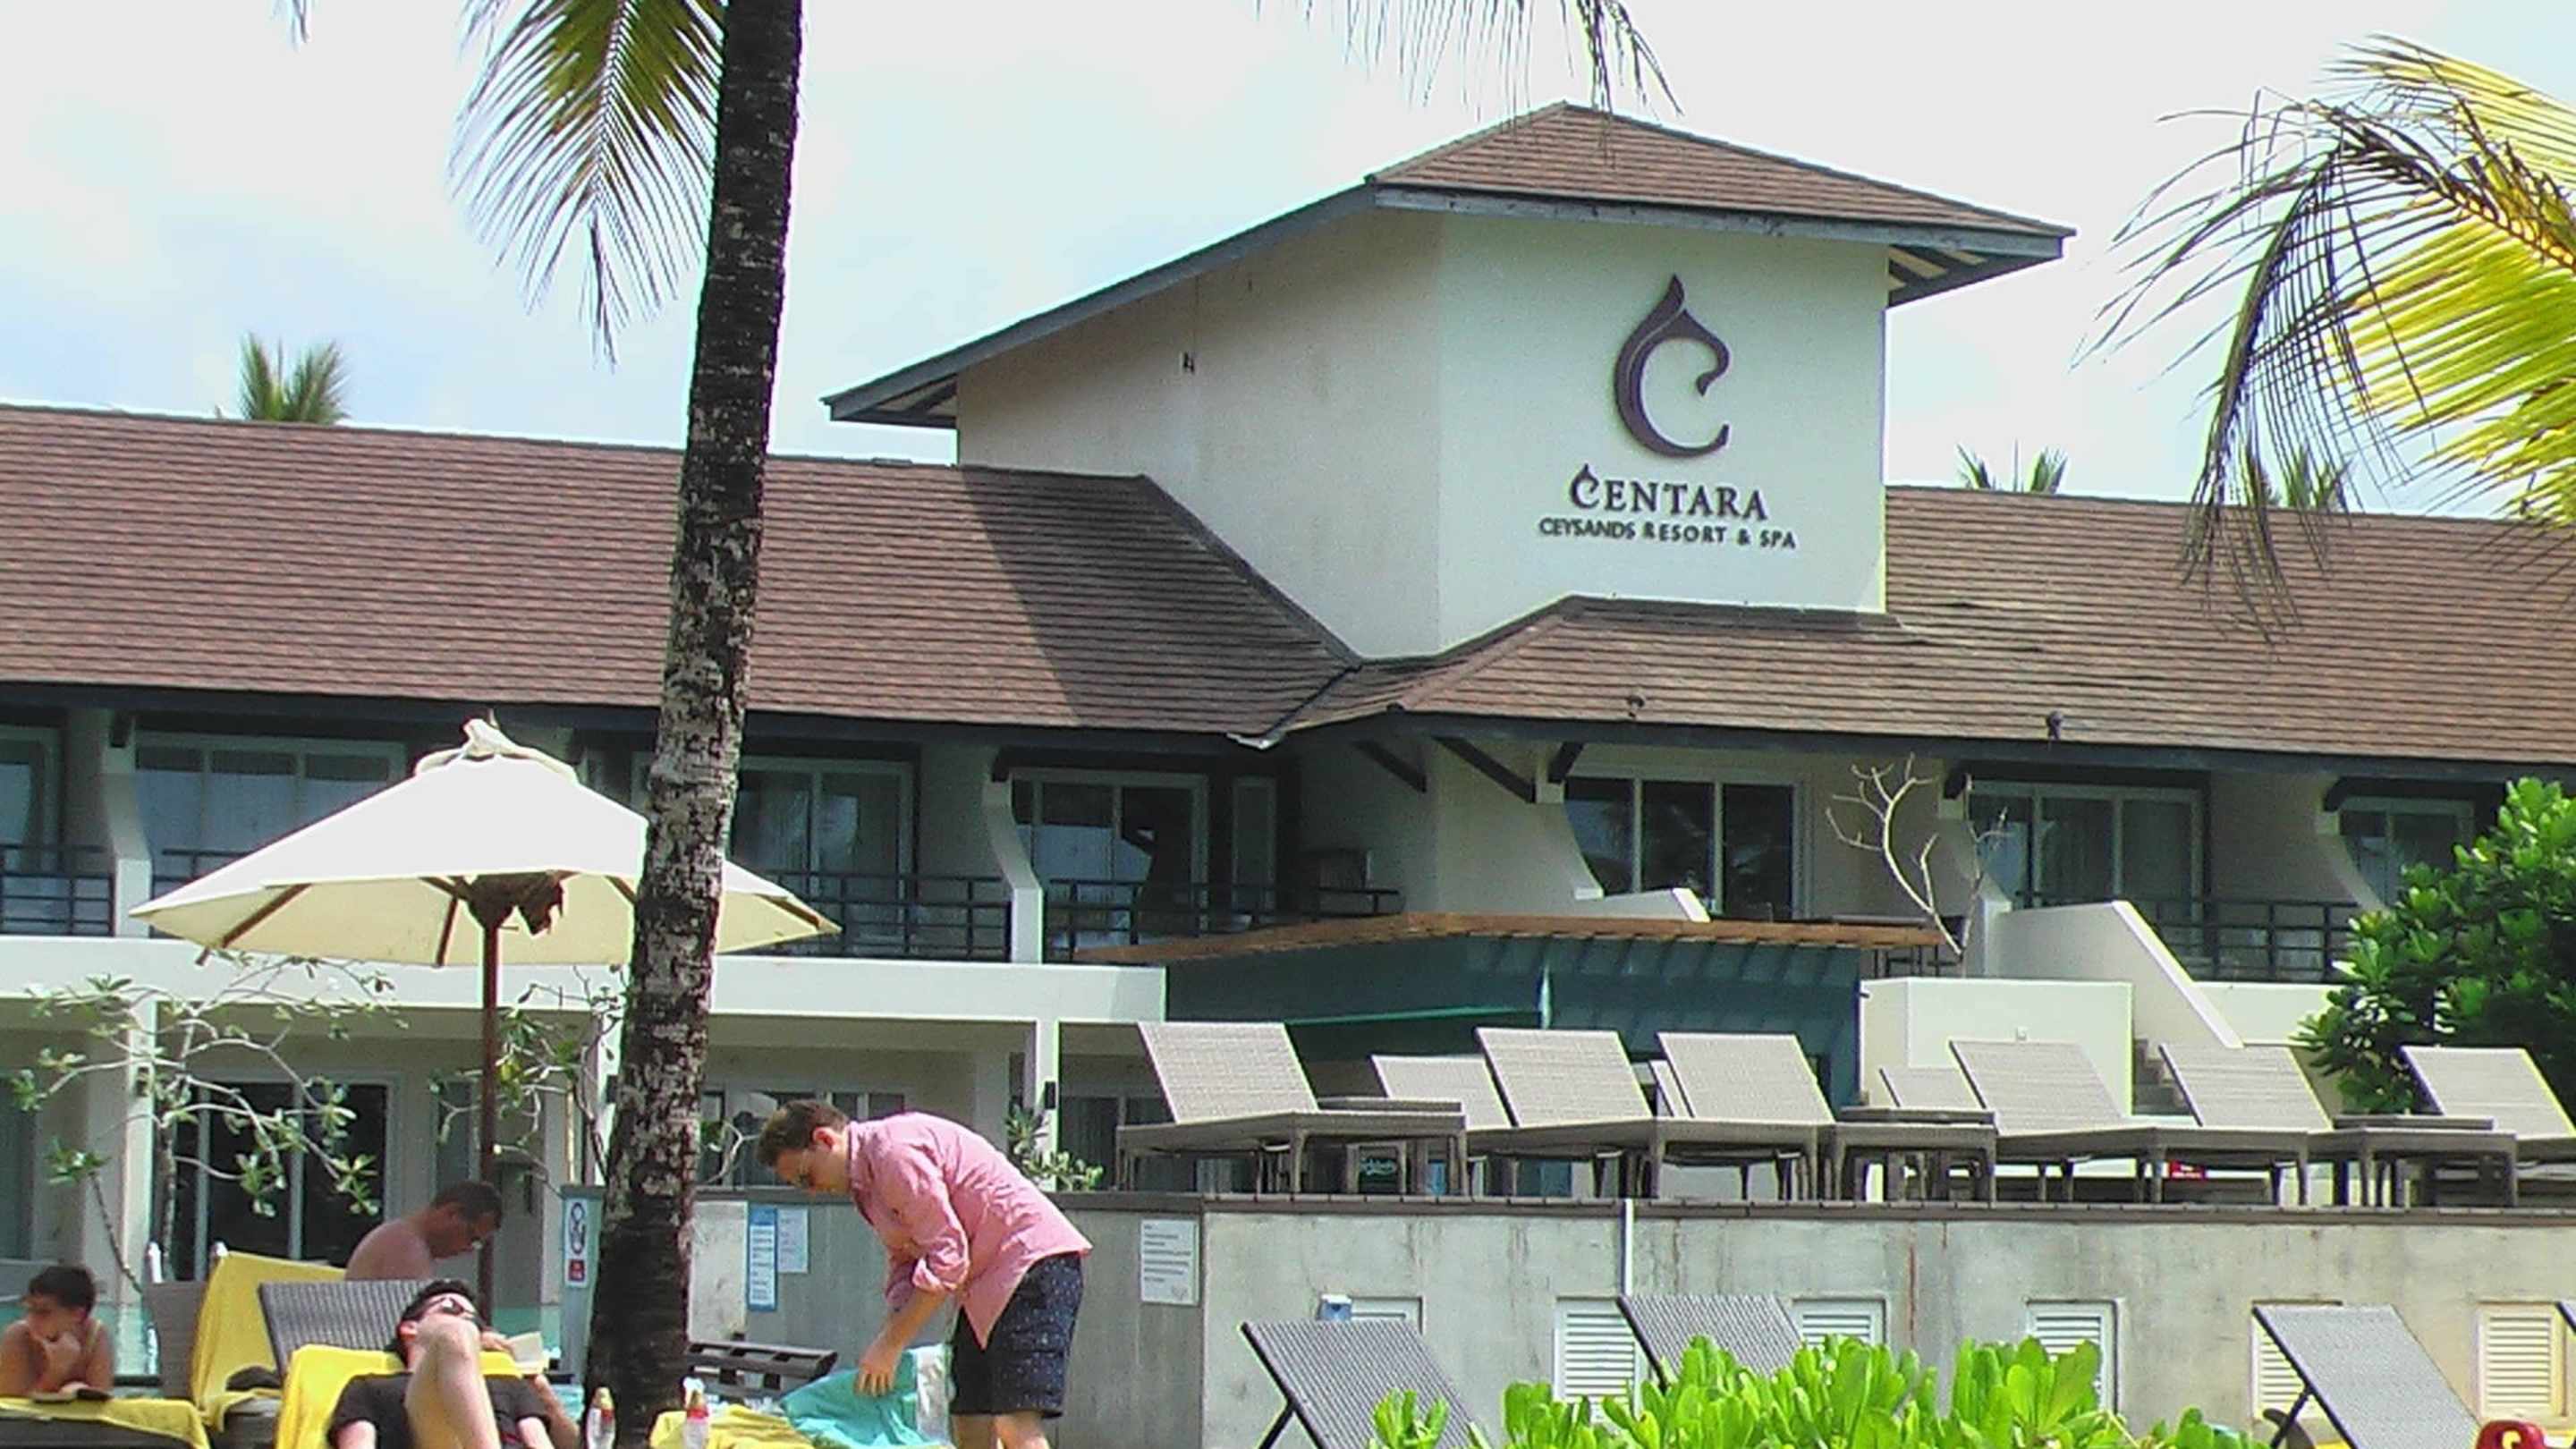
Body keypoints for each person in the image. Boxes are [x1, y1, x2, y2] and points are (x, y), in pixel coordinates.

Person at [757, 1102, 1090, 1449]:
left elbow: (948, 1260)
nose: (811, 1190)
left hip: (1032, 1266)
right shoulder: (866, 1187)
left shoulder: (893, 1153)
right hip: (985, 1287)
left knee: (1014, 1422)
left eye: (806, 1177)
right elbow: (906, 1259)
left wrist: (891, 1344)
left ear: (825, 1139)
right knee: (969, 1415)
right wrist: (890, 1332)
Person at [326, 1280, 574, 1449]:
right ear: (410, 1328)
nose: (465, 1321)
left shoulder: (509, 1385)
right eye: (450, 1308)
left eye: (474, 1321)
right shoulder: (369, 1386)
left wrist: (542, 1391)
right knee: (454, 1335)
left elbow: (540, 1443)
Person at [346, 1182, 504, 1279]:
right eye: (471, 1237)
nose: (468, 1249)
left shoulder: (405, 1237)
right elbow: (413, 1320)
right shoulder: (406, 1246)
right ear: (452, 1213)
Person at [0, 1265, 113, 1397]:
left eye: (43, 1312)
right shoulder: (18, 1336)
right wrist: (56, 1372)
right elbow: (9, 1404)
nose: (31, 1320)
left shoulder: (95, 1337)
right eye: (30, 1309)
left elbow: (101, 1402)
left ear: (78, 1314)